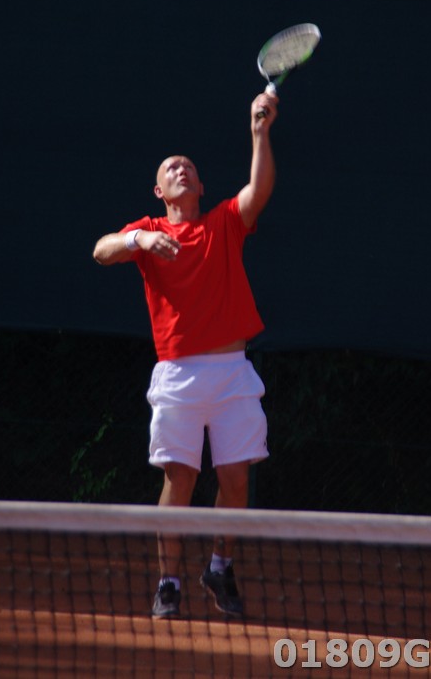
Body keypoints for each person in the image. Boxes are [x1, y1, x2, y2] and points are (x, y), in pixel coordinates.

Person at [92, 90, 278, 619]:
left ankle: (219, 566)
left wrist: (259, 132)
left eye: (189, 167)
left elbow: (258, 192)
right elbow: (101, 250)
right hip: (177, 375)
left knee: (236, 479)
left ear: (199, 186)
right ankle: (169, 581)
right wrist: (138, 241)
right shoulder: (148, 232)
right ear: (160, 190)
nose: (182, 169)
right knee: (181, 479)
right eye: (172, 167)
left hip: (232, 374)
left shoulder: (223, 222)